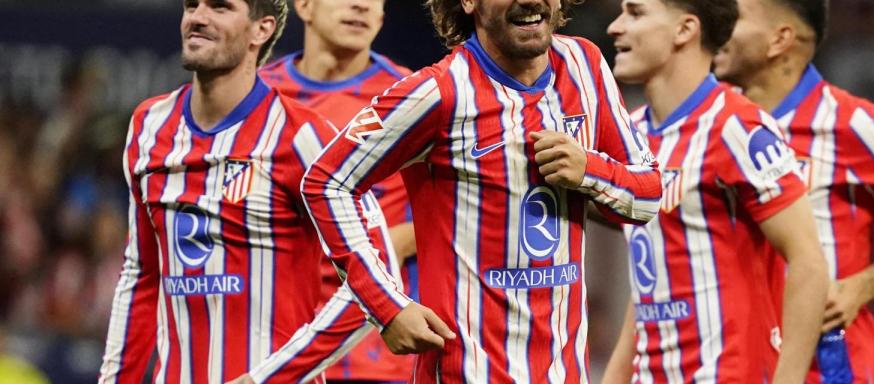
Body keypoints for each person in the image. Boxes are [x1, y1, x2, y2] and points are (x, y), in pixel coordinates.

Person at [300, 0, 664, 381]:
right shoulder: (439, 92)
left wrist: (588, 170)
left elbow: (649, 194)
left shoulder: (584, 65)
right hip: (465, 372)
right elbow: (327, 181)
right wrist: (385, 307)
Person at [98, 0, 434, 382]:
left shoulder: (317, 130)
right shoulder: (150, 126)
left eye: (220, 7)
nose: (198, 17)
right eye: (192, 5)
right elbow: (142, 273)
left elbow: (383, 269)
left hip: (366, 360)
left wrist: (268, 378)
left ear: (262, 29)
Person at [712, 0, 874, 382]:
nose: (718, 28)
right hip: (740, 359)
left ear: (780, 39)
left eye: (736, 18)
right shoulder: (714, 126)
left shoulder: (852, 123)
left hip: (831, 364)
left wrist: (860, 287)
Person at [600, 0, 828, 383]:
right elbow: (650, 282)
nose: (615, 27)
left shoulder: (737, 126)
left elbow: (809, 263)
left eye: (635, 13)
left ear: (685, 30)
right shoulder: (630, 136)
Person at [258, 0, 419, 382]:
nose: (360, 5)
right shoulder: (261, 95)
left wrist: (394, 242)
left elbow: (461, 208)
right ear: (304, 6)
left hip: (380, 354)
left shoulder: (413, 95)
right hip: (278, 350)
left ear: (382, 15)